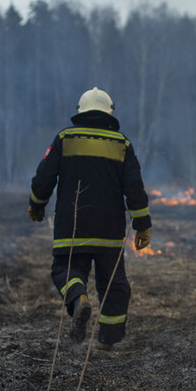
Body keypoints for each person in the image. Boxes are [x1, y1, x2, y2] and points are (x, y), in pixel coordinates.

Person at [28, 87, 152, 350]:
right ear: (110, 113)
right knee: (114, 285)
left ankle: (79, 298)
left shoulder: (65, 138)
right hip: (109, 230)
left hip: (72, 226)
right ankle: (108, 339)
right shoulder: (122, 144)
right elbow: (134, 187)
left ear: (80, 112)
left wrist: (36, 204)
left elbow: (44, 177)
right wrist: (142, 225)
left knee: (65, 270)